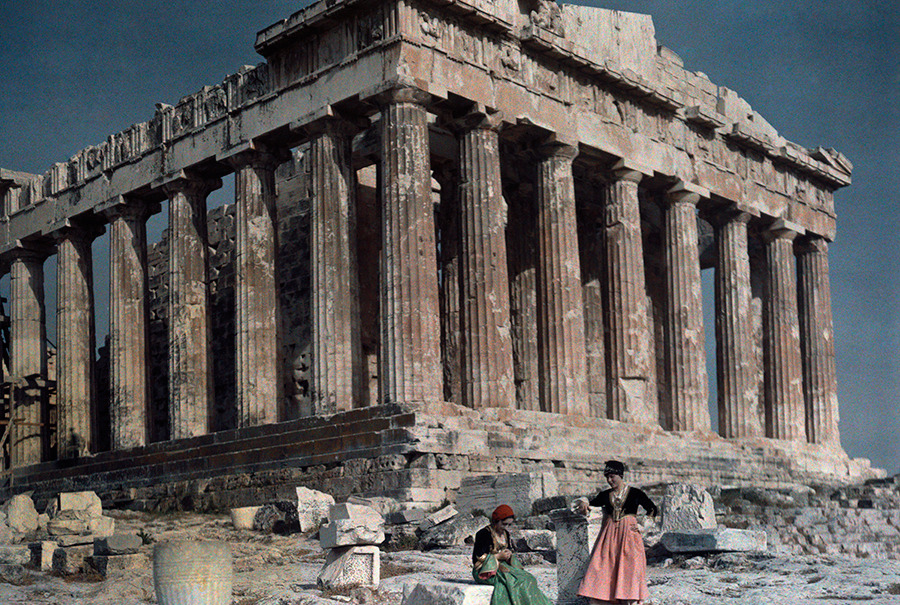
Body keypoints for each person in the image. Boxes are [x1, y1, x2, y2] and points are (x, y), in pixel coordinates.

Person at [575, 460, 658, 605]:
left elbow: (652, 509)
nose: (609, 480)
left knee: (630, 566)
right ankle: (604, 598)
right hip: (609, 535)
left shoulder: (635, 493)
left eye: (612, 476)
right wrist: (583, 502)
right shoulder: (605, 495)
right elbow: (590, 504)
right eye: (607, 477)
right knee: (604, 565)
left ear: (620, 475)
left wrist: (644, 526)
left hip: (629, 534)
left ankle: (628, 598)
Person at [472, 504, 553, 605]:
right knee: (516, 582)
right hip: (486, 570)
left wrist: (509, 555)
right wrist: (497, 556)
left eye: (509, 525)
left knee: (529, 578)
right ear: (496, 521)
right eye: (504, 524)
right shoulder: (484, 534)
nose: (506, 527)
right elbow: (477, 557)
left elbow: (508, 549)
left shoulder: (506, 533)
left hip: (503, 566)